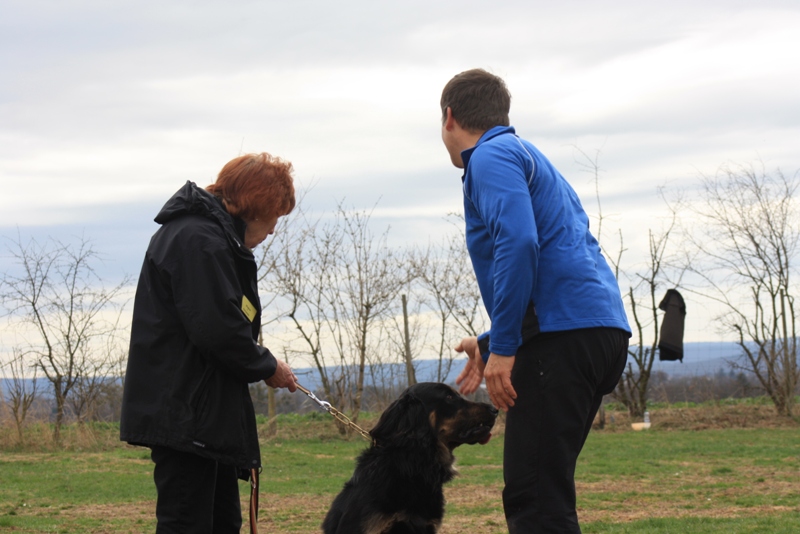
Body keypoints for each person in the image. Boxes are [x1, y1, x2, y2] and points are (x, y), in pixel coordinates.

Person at [441, 69, 632, 533]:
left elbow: (521, 242)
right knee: (546, 490)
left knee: (536, 501)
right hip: (599, 330)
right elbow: (553, 265)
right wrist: (491, 341)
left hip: (561, 341)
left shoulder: (489, 157)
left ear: (449, 118)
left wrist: (505, 346)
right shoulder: (527, 155)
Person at [120, 152, 298, 533]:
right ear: (255, 206)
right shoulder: (197, 240)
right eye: (274, 217)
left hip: (204, 420)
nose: (272, 231)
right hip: (187, 417)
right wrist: (267, 365)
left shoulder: (210, 238)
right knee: (187, 524)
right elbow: (218, 329)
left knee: (222, 524)